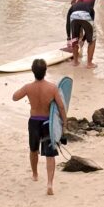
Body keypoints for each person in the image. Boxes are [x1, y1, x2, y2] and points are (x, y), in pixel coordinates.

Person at [12, 58, 67, 196]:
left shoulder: (28, 87)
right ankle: (49, 183)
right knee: (50, 154)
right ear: (45, 71)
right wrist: (64, 123)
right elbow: (61, 106)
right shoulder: (52, 88)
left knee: (33, 150)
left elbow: (14, 97)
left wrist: (24, 91)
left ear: (33, 71)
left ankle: (35, 174)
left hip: (34, 122)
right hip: (47, 123)